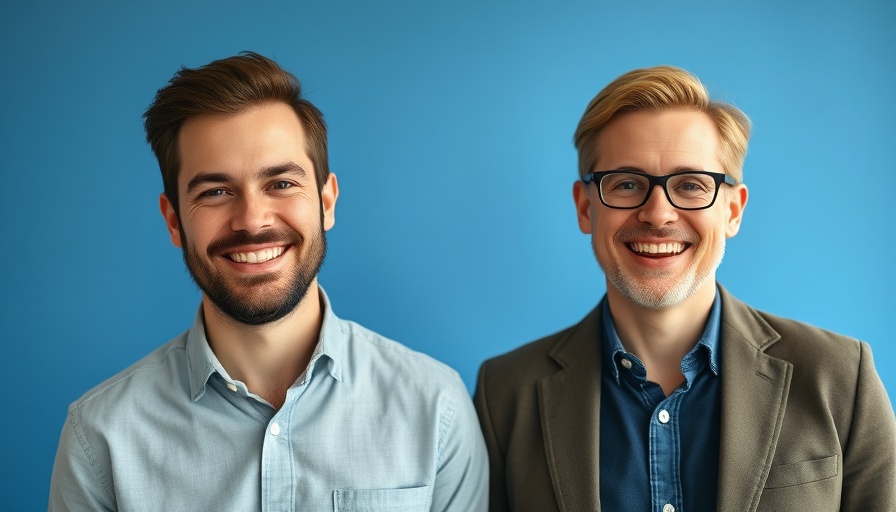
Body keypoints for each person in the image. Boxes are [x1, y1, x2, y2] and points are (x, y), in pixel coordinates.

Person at [49, 52, 488, 511]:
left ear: (327, 201)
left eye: (280, 183)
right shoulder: (99, 437)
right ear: (174, 220)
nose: (252, 221)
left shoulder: (436, 408)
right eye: (215, 192)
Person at [473, 66, 895, 511]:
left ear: (733, 210)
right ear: (585, 208)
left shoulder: (840, 379)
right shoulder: (504, 396)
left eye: (691, 185)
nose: (658, 214)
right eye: (628, 184)